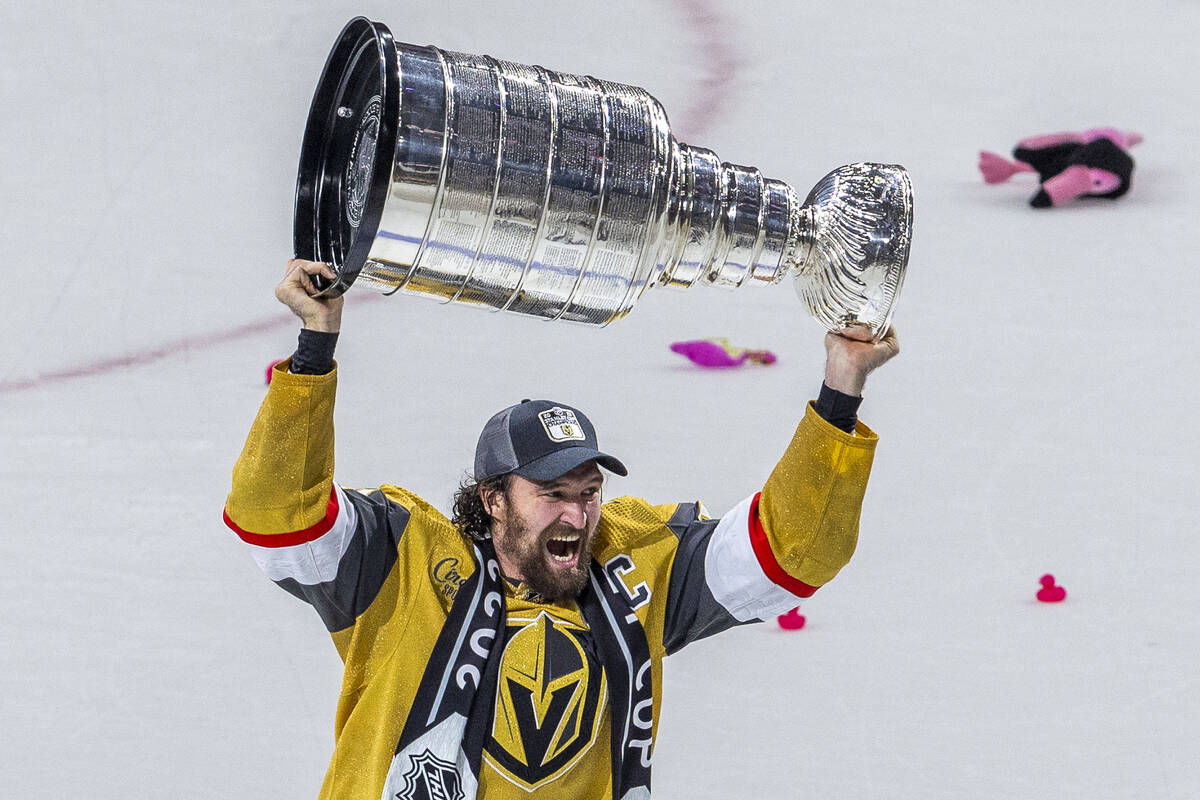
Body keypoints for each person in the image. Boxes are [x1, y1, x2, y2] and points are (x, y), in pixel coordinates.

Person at [223, 258, 900, 799]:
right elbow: (275, 515)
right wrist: (315, 349)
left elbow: (794, 552)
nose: (576, 513)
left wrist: (841, 388)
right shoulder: (404, 563)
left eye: (589, 491)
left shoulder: (639, 568)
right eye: (551, 493)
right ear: (492, 499)